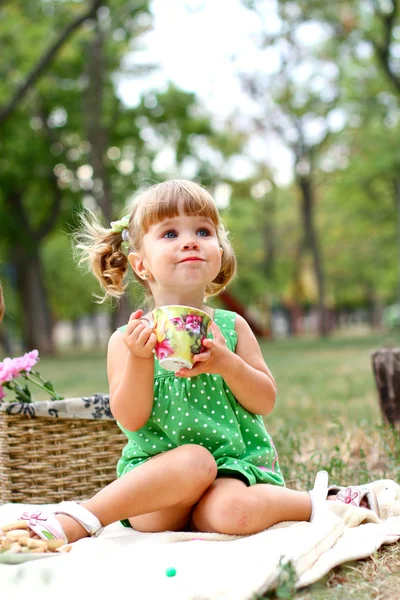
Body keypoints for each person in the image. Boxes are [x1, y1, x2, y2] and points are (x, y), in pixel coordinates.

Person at [3, 180, 378, 547]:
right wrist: (139, 359)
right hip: (161, 478)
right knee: (193, 464)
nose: (189, 240)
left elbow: (265, 400)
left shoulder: (231, 328)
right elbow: (130, 419)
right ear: (141, 264)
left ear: (219, 252)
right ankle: (82, 517)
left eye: (203, 230)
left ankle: (324, 501)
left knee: (233, 513)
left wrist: (228, 364)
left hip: (233, 471)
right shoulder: (126, 340)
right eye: (169, 234)